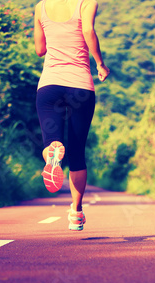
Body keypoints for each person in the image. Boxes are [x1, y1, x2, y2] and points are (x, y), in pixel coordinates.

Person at [34, 0, 109, 231]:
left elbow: (40, 50)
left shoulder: (40, 7)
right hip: (79, 86)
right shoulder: (86, 3)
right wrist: (100, 63)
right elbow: (88, 30)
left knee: (51, 141)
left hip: (49, 86)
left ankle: (52, 158)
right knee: (77, 151)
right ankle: (76, 213)